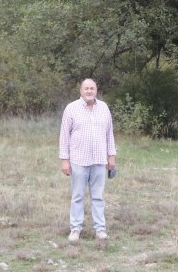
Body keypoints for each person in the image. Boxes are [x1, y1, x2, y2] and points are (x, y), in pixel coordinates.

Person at [58, 78, 117, 242]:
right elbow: (64, 136)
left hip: (99, 160)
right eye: (86, 88)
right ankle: (75, 229)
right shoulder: (71, 109)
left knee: (98, 196)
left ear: (96, 91)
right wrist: (65, 160)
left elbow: (109, 134)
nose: (89, 91)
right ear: (81, 91)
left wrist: (111, 157)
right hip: (78, 160)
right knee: (77, 196)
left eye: (92, 88)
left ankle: (100, 229)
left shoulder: (104, 108)